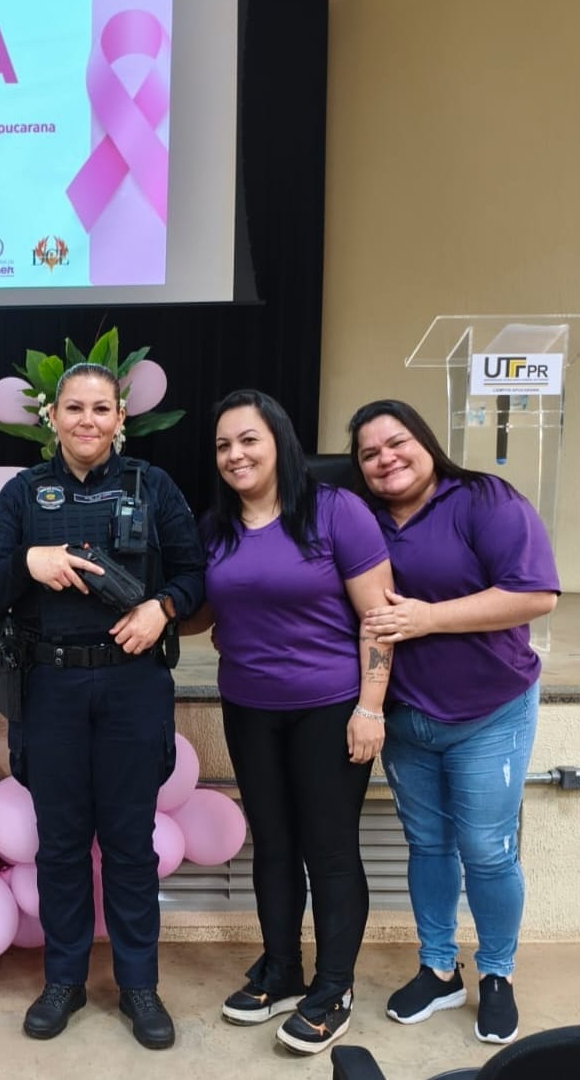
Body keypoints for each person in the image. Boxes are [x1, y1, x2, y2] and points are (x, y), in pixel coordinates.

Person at [0, 362, 205, 1051]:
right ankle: (64, 980)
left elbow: (195, 574)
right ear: (53, 417)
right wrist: (28, 562)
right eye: (74, 407)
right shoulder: (22, 494)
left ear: (120, 417)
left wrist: (163, 608)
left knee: (130, 845)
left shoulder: (153, 486)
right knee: (61, 845)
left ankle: (138, 986)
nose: (88, 420)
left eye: (101, 408)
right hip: (52, 690)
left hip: (132, 685)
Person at [349, 400, 558, 1046]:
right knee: (428, 845)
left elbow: (535, 594)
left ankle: (496, 972)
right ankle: (439, 968)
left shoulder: (485, 499)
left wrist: (427, 618)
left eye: (397, 442)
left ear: (426, 441)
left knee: (487, 850)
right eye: (369, 453)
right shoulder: (360, 520)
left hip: (489, 710)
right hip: (407, 718)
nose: (386, 459)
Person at [193, 389, 393, 1056]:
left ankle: (333, 987)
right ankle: (282, 969)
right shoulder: (217, 526)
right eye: (223, 445)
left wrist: (370, 706)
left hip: (329, 708)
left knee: (328, 849)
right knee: (273, 844)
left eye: (248, 439)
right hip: (249, 706)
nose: (235, 454)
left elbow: (379, 619)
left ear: (279, 440)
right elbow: (202, 608)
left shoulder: (337, 511)